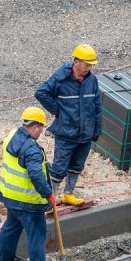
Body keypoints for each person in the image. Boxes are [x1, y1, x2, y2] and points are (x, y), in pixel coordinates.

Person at [0, 107, 67, 261]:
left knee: (11, 229)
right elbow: (35, 175)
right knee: (36, 237)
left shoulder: (11, 136)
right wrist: (48, 194)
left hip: (11, 197)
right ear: (34, 126)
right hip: (28, 202)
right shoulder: (32, 150)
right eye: (41, 127)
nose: (41, 131)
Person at [35, 44, 102, 206]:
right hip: (66, 133)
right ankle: (49, 201)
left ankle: (68, 194)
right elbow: (41, 92)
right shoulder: (61, 79)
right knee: (58, 169)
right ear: (76, 61)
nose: (88, 67)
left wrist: (96, 129)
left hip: (85, 133)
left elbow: (97, 106)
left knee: (77, 166)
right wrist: (57, 110)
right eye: (86, 64)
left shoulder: (92, 80)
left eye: (91, 64)